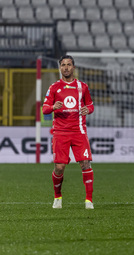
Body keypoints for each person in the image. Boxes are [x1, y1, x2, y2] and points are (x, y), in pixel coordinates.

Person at [42, 55, 95, 210]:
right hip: (60, 132)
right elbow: (45, 108)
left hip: (78, 130)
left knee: (85, 163)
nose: (66, 67)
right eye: (63, 65)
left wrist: (88, 110)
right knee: (59, 167)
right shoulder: (53, 87)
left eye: (69, 65)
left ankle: (88, 200)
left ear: (74, 67)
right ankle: (57, 197)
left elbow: (90, 105)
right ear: (60, 68)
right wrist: (53, 107)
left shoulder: (82, 87)